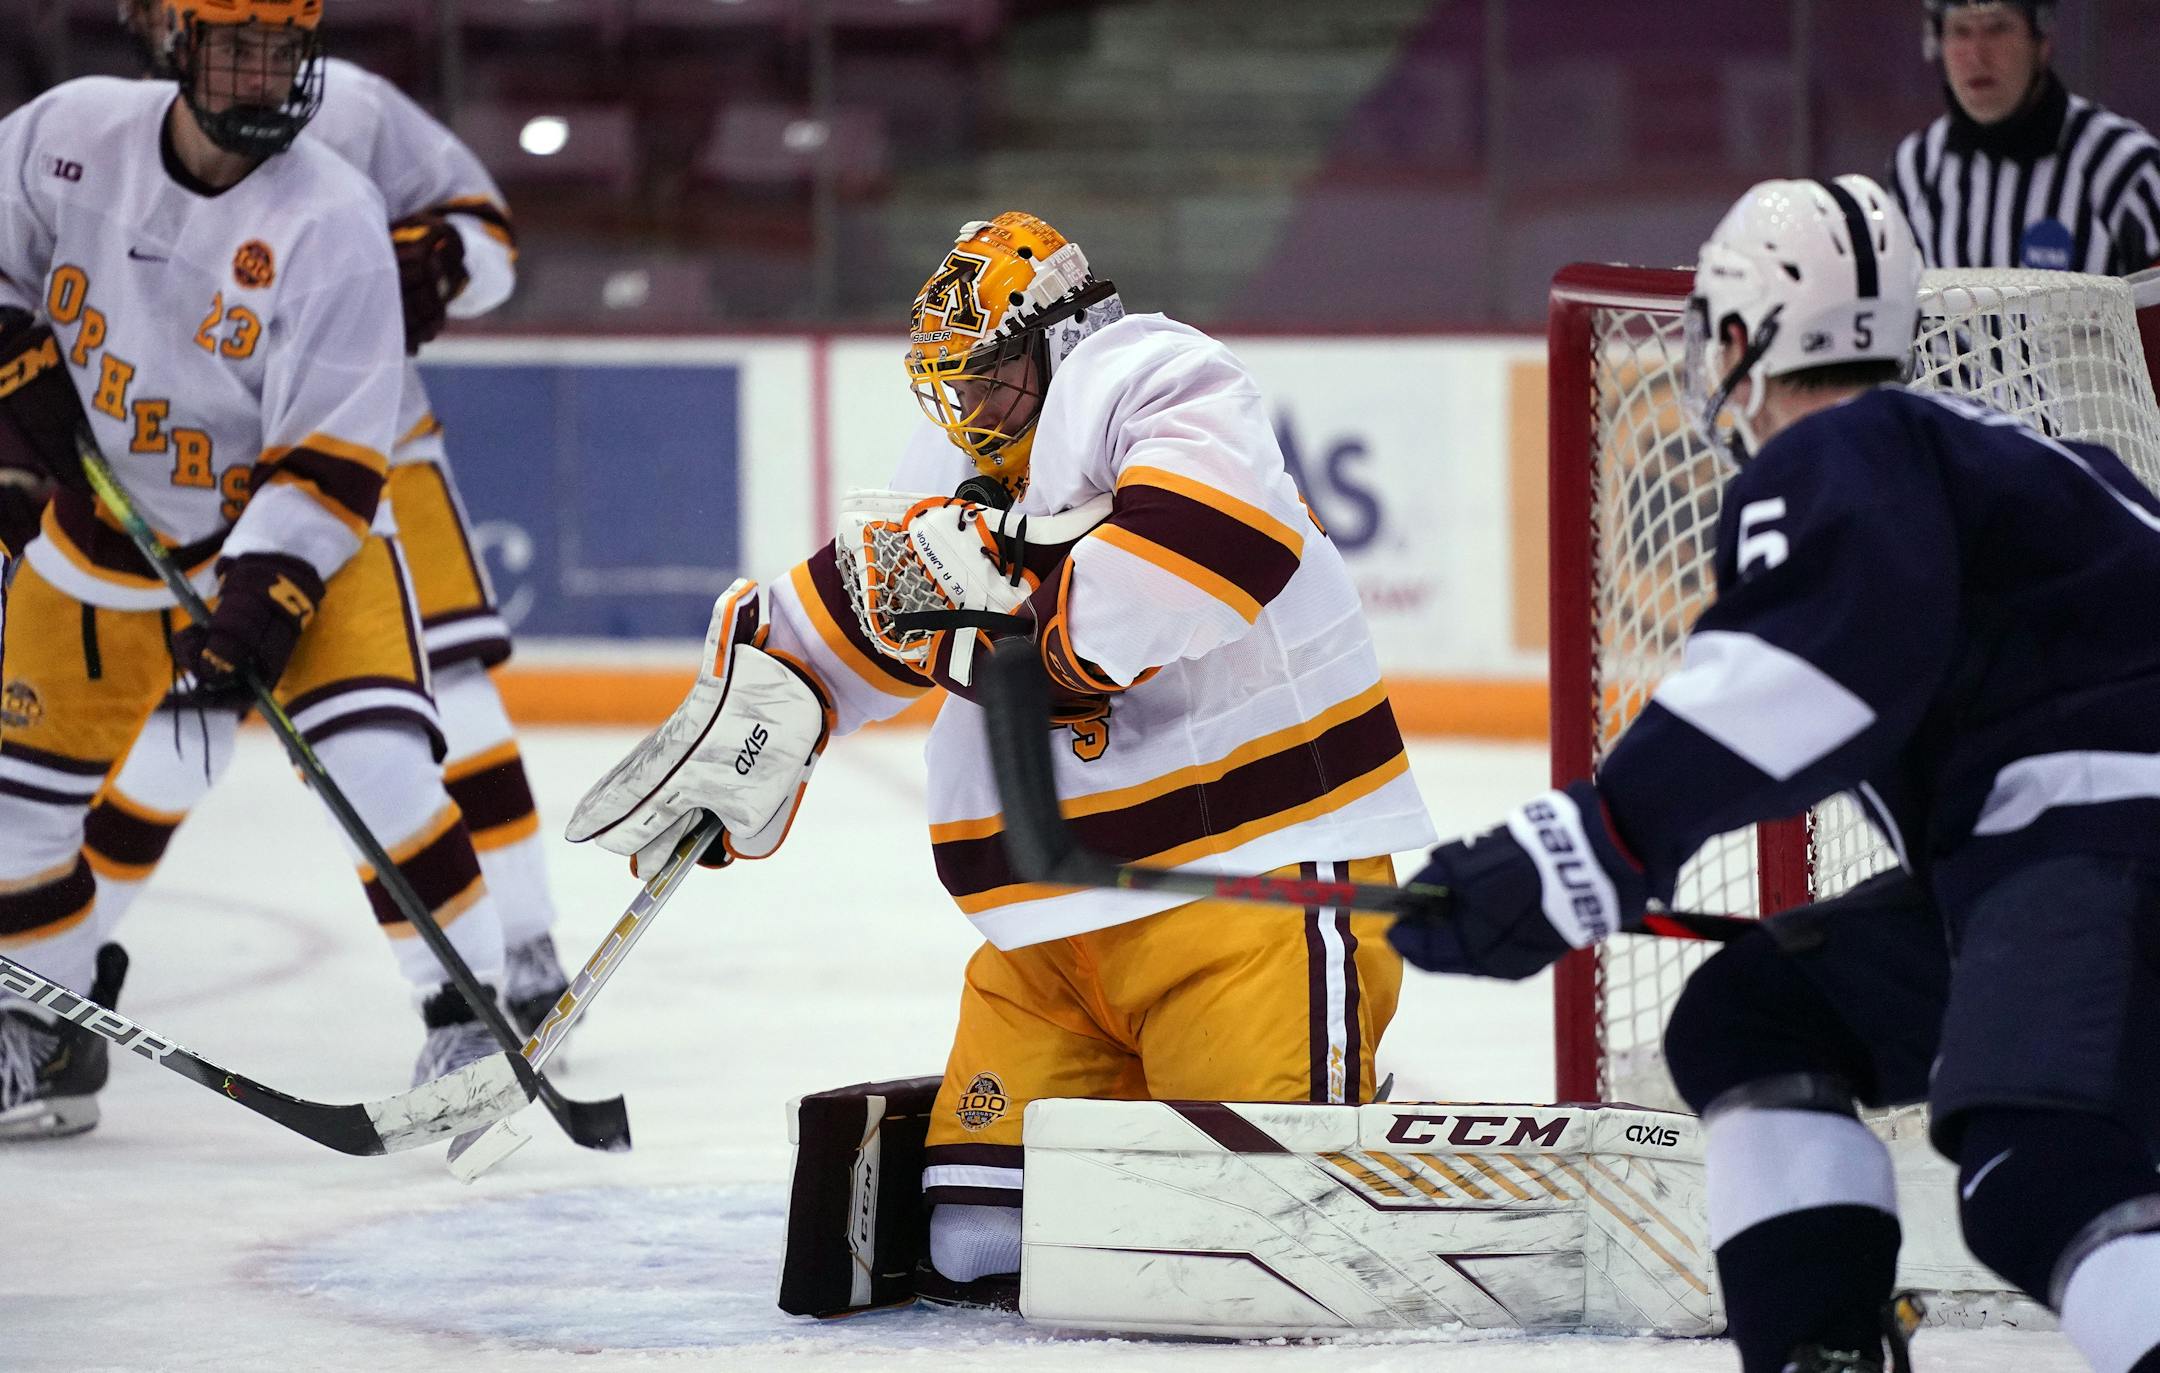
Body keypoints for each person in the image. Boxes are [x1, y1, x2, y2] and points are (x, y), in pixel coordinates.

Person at [566, 211, 1436, 1302]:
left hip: (1246, 894)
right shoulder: (966, 453)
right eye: (956, 388)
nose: (974, 412)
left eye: (991, 380)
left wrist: (994, 601)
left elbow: (1201, 559)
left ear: (1062, 335)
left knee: (1252, 1251)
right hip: (1052, 939)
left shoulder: (1155, 378)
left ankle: (1340, 1099)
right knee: (974, 1237)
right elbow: (882, 593)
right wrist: (770, 696)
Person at [1389, 174, 2160, 1373]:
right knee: (1757, 1014)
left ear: (1747, 334)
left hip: (2103, 840)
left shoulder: (1844, 448)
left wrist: (1589, 843)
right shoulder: (2002, 449)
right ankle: (1820, 1350)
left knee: (2040, 1165)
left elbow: (1812, 670)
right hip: (2069, 848)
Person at [0, 0, 512, 1139]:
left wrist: (265, 593)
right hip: (101, 532)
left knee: (377, 767)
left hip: (290, 533)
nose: (264, 71)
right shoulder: (69, 135)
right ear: (177, 44)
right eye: (238, 45)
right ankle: (46, 1032)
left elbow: (332, 450)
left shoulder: (334, 217)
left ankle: (472, 1018)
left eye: (283, 49)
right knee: (13, 814)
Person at [83, 0, 573, 1037]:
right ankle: (63, 961)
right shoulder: (103, 139)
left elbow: (488, 236)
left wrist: (439, 258)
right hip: (184, 470)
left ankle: (523, 949)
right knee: (180, 725)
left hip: (369, 450)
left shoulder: (349, 107)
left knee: (441, 695)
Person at [1888, 0, 2160, 274]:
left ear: (2041, 42)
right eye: (1960, 31)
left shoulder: (2126, 168)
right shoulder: (1914, 168)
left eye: (1998, 28)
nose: (1976, 55)